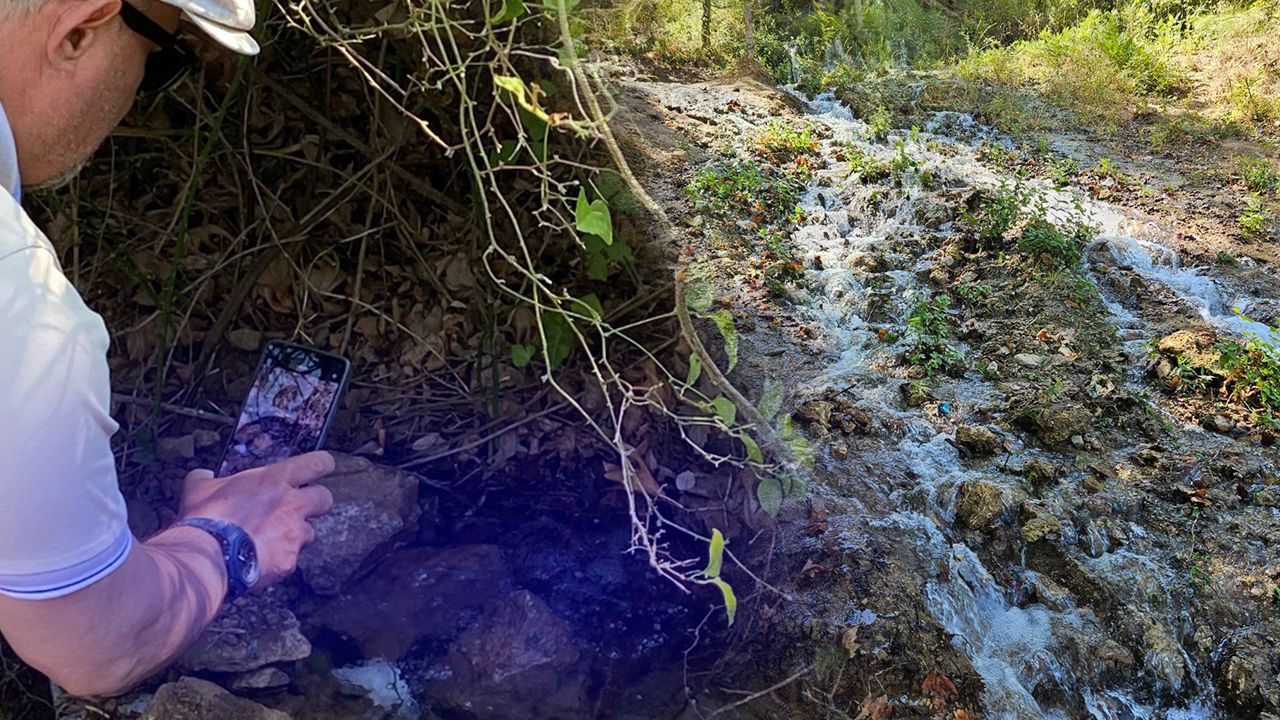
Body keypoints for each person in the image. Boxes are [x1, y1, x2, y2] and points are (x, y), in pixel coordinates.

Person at [0, 0, 335, 697]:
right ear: (79, 31)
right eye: (163, 58)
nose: (138, 91)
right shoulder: (20, 301)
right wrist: (225, 540)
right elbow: (99, 646)